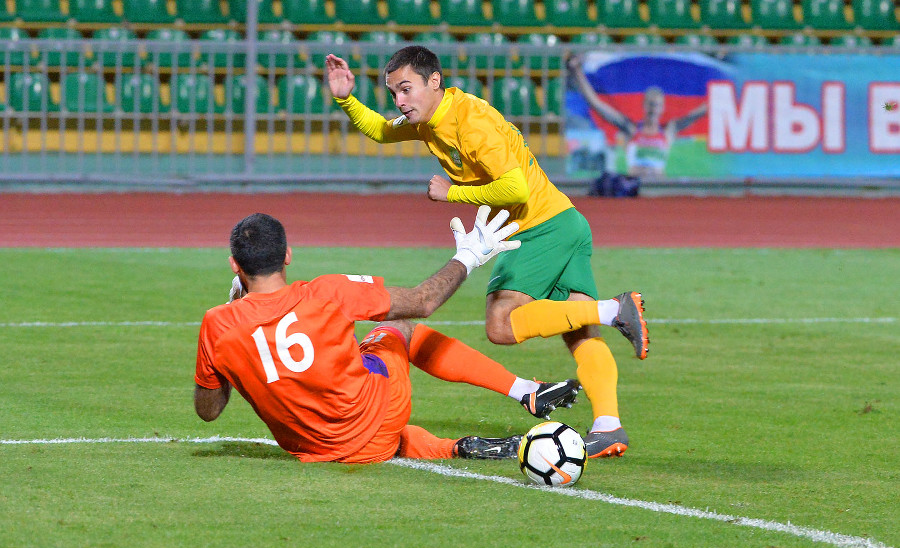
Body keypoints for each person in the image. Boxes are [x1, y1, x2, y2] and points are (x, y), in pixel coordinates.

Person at [325, 46, 649, 458]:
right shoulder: (430, 119)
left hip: (537, 226)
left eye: (406, 89)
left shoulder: (470, 123)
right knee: (578, 326)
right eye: (393, 93)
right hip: (565, 222)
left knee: (501, 323)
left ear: (434, 81)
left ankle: (615, 309)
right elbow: (381, 131)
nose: (399, 101)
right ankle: (608, 426)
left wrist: (451, 194)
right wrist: (346, 99)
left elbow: (516, 189)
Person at [194, 208, 581, 463]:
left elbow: (208, 411)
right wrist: (469, 255)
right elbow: (423, 301)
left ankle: (452, 448)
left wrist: (231, 330)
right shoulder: (327, 291)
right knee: (398, 328)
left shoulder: (218, 324)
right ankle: (524, 391)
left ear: (234, 265)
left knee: (348, 394)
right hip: (380, 420)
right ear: (287, 255)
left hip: (321, 452)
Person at [567, 55, 708, 180]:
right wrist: (577, 72)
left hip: (659, 188)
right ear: (644, 105)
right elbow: (597, 104)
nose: (653, 109)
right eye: (651, 104)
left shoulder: (668, 131)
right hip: (636, 188)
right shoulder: (631, 129)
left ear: (662, 108)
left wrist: (717, 98)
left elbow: (696, 114)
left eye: (657, 105)